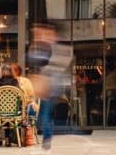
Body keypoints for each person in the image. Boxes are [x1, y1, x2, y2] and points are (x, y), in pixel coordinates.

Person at [29, 23, 73, 153]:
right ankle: (48, 138)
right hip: (49, 85)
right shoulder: (48, 47)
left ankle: (48, 138)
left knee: (45, 113)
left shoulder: (52, 48)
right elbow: (34, 60)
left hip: (50, 86)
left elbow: (36, 60)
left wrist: (37, 40)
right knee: (44, 114)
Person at [0, 64, 19, 146]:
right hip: (14, 110)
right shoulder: (15, 81)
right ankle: (12, 138)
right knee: (11, 112)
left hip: (0, 111)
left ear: (1, 72)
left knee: (1, 112)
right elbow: (20, 94)